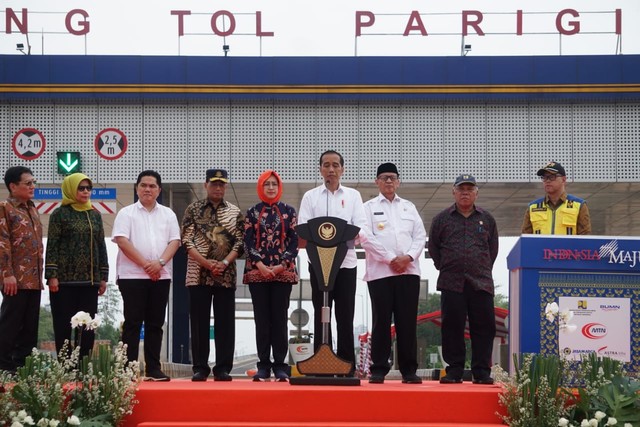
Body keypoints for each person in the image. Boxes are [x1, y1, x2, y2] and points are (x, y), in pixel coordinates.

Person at [297, 150, 367, 373]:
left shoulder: (354, 196)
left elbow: (360, 228)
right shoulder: (310, 197)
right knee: (321, 314)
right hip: (319, 266)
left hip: (345, 264)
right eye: (326, 165)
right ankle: (320, 362)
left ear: (342, 169)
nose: (331, 169)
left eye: (335, 165)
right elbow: (303, 229)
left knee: (345, 316)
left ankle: (346, 365)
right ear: (320, 169)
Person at [428, 174, 498, 385]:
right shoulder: (441, 219)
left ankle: (481, 371)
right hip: (452, 282)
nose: (465, 192)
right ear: (454, 192)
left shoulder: (487, 219)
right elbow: (434, 248)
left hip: (481, 282)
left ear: (476, 193)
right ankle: (454, 370)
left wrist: (481, 267)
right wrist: (447, 266)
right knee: (452, 327)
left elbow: (492, 249)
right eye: (461, 189)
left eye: (469, 189)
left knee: (484, 327)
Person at [112, 170, 181, 381]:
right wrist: (146, 265)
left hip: (161, 275)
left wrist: (158, 264)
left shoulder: (168, 214)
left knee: (155, 323)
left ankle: (153, 368)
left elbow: (175, 242)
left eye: (152, 186)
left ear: (159, 190)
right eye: (143, 185)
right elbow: (122, 241)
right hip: (132, 276)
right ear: (137, 188)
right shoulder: (126, 213)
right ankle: (128, 369)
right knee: (132, 322)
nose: (147, 189)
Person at [360, 163, 425, 384]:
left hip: (409, 271)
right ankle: (378, 368)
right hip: (380, 273)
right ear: (376, 181)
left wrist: (407, 257)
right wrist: (390, 259)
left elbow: (420, 236)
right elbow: (365, 237)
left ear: (398, 182)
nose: (389, 181)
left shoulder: (409, 207)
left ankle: (409, 370)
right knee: (381, 321)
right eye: (384, 177)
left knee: (407, 322)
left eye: (392, 178)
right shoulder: (367, 207)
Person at [181, 168, 244, 382]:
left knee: (225, 322)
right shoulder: (193, 209)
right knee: (198, 322)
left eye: (222, 184)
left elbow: (240, 242)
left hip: (225, 275)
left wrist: (224, 262)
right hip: (198, 273)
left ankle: (223, 368)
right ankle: (200, 367)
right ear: (206, 185)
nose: (218, 187)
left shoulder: (234, 212)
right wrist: (207, 263)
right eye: (214, 183)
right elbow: (186, 240)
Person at [45, 173, 109, 359]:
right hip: (64, 282)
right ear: (71, 189)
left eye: (89, 188)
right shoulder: (60, 214)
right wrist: (52, 274)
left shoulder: (94, 215)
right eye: (81, 188)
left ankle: (83, 366)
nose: (86, 191)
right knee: (63, 325)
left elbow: (101, 246)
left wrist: (103, 277)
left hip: (89, 282)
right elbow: (53, 245)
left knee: (87, 327)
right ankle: (65, 366)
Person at [243, 170, 299, 382]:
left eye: (274, 184)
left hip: (282, 273)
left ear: (279, 187)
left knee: (279, 320)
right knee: (262, 320)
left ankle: (281, 366)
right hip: (258, 272)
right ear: (260, 187)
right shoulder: (251, 212)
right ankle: (263, 366)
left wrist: (280, 266)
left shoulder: (289, 211)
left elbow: (294, 242)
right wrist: (260, 265)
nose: (271, 188)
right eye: (267, 184)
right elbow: (247, 241)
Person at [0, 166, 44, 374]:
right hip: (14, 279)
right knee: (10, 324)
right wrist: (7, 274)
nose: (32, 186)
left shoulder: (32, 209)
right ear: (13, 186)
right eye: (28, 183)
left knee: (29, 327)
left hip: (34, 279)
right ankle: (4, 367)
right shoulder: (5, 208)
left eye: (33, 182)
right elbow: (2, 242)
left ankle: (23, 368)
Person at [522, 161, 591, 235]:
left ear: (563, 180)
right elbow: (526, 239)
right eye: (544, 177)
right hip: (540, 247)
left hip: (567, 247)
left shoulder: (579, 205)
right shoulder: (532, 207)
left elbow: (585, 238)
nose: (547, 181)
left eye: (552, 177)